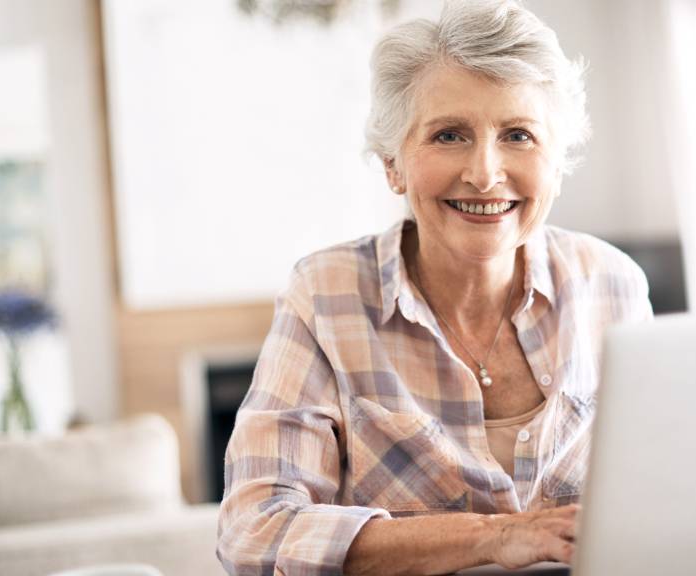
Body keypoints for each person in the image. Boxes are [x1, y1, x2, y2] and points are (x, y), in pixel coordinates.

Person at [217, 1, 652, 574]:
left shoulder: (612, 284)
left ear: (558, 162)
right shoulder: (325, 294)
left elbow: (663, 490)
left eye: (519, 135)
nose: (485, 173)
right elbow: (253, 532)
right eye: (449, 135)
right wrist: (493, 536)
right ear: (394, 164)